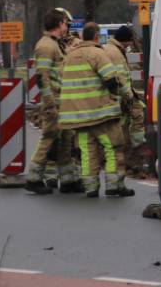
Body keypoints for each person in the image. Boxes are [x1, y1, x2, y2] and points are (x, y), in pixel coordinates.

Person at [58, 22, 134, 197]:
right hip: (101, 114)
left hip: (78, 117)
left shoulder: (69, 56)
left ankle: (91, 187)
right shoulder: (98, 53)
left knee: (87, 151)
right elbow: (112, 79)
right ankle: (114, 185)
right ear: (97, 36)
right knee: (112, 147)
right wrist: (127, 96)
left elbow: (62, 80)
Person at [24, 10, 84, 195]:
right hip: (54, 102)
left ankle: (68, 180)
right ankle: (33, 178)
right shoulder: (46, 46)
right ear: (59, 24)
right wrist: (49, 103)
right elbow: (42, 77)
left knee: (66, 139)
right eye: (65, 23)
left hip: (62, 101)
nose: (67, 27)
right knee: (49, 137)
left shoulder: (55, 44)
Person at [102, 26, 148, 165]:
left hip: (110, 97)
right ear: (124, 41)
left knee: (119, 124)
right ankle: (138, 150)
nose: (130, 45)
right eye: (129, 42)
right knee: (136, 114)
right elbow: (121, 78)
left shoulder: (109, 49)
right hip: (119, 96)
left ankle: (125, 153)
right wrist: (131, 98)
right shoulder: (116, 53)